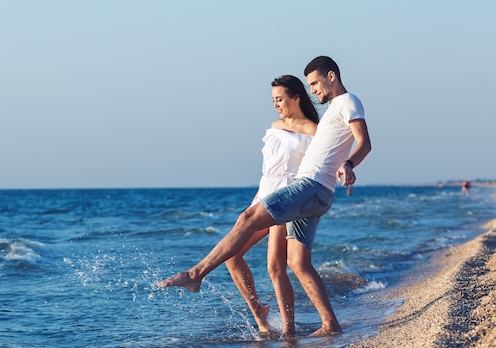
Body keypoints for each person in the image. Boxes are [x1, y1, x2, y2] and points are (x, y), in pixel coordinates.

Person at [158, 56, 372, 337]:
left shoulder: (348, 102)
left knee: (248, 219)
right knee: (297, 263)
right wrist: (343, 166)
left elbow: (364, 142)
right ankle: (330, 324)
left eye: (315, 83)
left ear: (331, 76)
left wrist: (349, 164)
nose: (313, 90)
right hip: (316, 192)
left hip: (310, 186)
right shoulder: (334, 109)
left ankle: (196, 274)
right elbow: (337, 147)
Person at [225, 75, 318, 336]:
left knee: (275, 266)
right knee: (232, 256)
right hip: (263, 195)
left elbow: (325, 160)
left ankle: (289, 330)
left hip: (287, 199)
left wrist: (345, 168)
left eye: (279, 99)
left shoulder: (313, 130)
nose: (275, 104)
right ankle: (259, 313)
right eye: (273, 100)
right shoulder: (276, 125)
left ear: (295, 98)